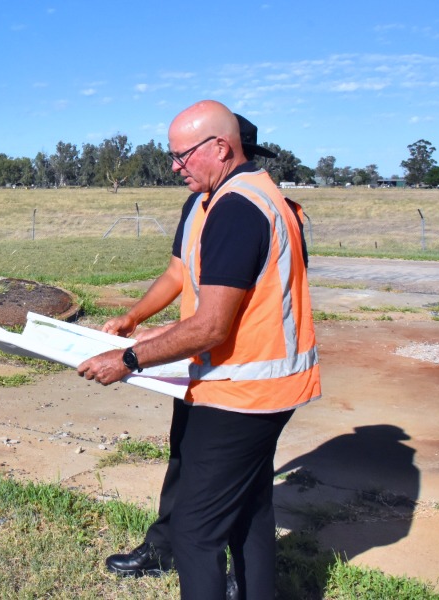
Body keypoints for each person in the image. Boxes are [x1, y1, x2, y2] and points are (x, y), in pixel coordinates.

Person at [77, 100, 320, 600]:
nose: (174, 167)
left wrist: (128, 359)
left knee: (194, 531)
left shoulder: (237, 210)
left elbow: (210, 325)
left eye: (182, 155)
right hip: (258, 386)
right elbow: (198, 288)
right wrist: (139, 322)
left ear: (222, 148)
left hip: (242, 392)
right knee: (250, 511)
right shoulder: (243, 197)